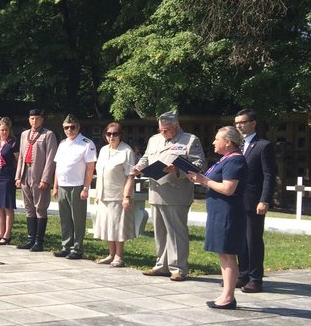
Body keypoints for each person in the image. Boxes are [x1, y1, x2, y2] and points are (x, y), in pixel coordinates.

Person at [131, 111, 206, 281]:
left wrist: (178, 169)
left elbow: (199, 164)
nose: (163, 133)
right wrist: (139, 167)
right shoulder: (154, 140)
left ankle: (178, 268)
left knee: (176, 231)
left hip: (177, 192)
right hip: (157, 191)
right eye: (161, 130)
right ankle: (161, 265)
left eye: (166, 130)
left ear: (177, 126)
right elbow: (146, 158)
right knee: (160, 231)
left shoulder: (190, 140)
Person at [186, 126, 248, 309]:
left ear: (228, 142)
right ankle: (226, 294)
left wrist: (203, 180)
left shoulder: (235, 161)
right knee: (223, 254)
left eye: (217, 139)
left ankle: (228, 297)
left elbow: (229, 189)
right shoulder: (225, 160)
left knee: (228, 255)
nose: (213, 142)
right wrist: (199, 179)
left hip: (229, 214)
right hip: (219, 213)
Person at [234, 109, 276, 293]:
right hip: (237, 201)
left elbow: (269, 175)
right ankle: (242, 274)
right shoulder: (237, 146)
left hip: (253, 200)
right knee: (240, 240)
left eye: (243, 122)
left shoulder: (263, 146)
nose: (239, 126)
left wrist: (264, 199)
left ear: (253, 123)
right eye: (237, 123)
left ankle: (255, 278)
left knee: (253, 240)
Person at [52, 116, 97, 258]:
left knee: (77, 219)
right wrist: (55, 186)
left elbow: (90, 168)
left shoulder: (86, 143)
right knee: (65, 218)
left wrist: (86, 188)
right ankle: (66, 246)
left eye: (72, 127)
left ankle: (77, 249)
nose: (69, 130)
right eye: (66, 127)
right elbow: (58, 166)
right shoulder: (63, 144)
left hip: (77, 186)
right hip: (63, 185)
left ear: (78, 127)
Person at [92, 122, 137, 266]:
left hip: (118, 195)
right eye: (109, 134)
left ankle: (119, 256)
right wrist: (97, 194)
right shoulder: (104, 150)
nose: (112, 136)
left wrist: (126, 197)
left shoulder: (127, 151)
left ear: (120, 135)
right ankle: (111, 254)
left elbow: (130, 175)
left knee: (118, 227)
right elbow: (100, 174)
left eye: (115, 134)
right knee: (107, 226)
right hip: (104, 195)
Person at [15, 108, 57, 251]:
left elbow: (51, 158)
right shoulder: (24, 134)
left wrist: (45, 179)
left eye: (38, 118)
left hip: (39, 175)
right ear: (29, 119)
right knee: (28, 207)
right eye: (32, 118)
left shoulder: (48, 135)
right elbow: (21, 156)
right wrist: (18, 176)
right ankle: (30, 238)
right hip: (25, 173)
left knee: (40, 207)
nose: (35, 121)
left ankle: (39, 241)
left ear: (42, 120)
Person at [0, 117, 17, 245]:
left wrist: (17, 176)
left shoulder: (12, 142)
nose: (4, 132)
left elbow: (17, 161)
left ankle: (7, 234)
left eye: (6, 130)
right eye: (1, 130)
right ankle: (0, 233)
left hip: (7, 177)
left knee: (7, 206)